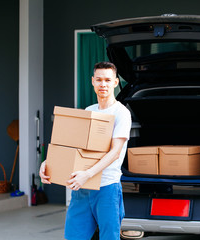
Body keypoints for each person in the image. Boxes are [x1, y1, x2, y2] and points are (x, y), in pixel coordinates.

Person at [39, 61, 132, 240]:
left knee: (109, 237)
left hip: (106, 187)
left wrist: (88, 173)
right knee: (74, 236)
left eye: (107, 80)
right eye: (99, 80)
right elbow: (71, 147)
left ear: (115, 82)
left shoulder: (121, 113)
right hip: (82, 187)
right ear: (92, 81)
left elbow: (115, 152)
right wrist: (48, 164)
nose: (103, 84)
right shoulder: (89, 110)